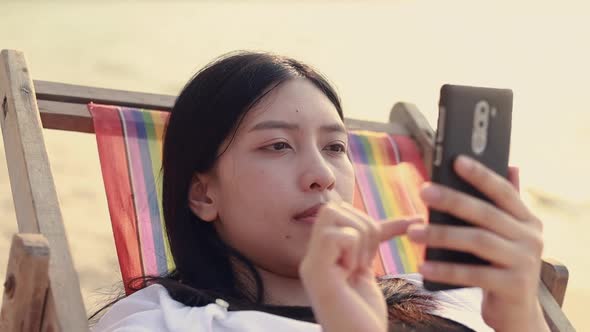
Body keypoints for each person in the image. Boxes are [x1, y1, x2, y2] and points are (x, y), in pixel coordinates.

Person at [92, 52, 549, 332]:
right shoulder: (163, 323)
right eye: (277, 145)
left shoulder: (456, 296)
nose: (322, 175)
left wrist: (523, 319)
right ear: (203, 195)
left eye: (335, 147)